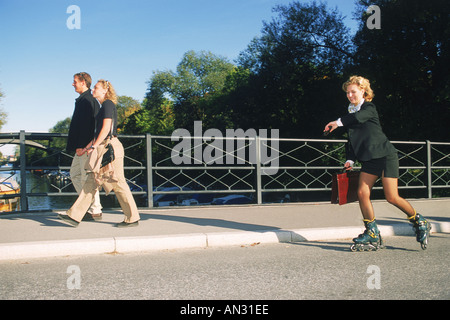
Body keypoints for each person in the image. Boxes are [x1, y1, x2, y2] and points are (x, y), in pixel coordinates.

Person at [324, 75, 431, 250]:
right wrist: (350, 159)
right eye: (347, 93)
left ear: (363, 91)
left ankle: (420, 221)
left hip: (385, 156)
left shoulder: (368, 108)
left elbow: (359, 118)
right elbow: (352, 139)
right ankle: (372, 231)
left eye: (353, 91)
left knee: (392, 197)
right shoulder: (351, 113)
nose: (350, 95)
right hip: (369, 159)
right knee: (361, 193)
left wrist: (337, 122)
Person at [59, 80, 140, 228]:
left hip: (110, 148)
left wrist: (94, 146)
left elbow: (106, 128)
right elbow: (97, 134)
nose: (93, 89)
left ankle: (132, 218)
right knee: (92, 180)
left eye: (96, 88)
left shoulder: (108, 104)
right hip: (103, 146)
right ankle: (74, 215)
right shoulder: (103, 107)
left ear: (104, 91)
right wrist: (86, 147)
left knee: (118, 182)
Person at [67, 72, 103, 221]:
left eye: (75, 81)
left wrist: (84, 146)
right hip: (81, 147)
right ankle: (91, 206)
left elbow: (90, 126)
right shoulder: (84, 100)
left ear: (83, 82)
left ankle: (94, 209)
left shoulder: (88, 100)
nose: (73, 84)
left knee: (85, 178)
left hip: (85, 147)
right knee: (75, 174)